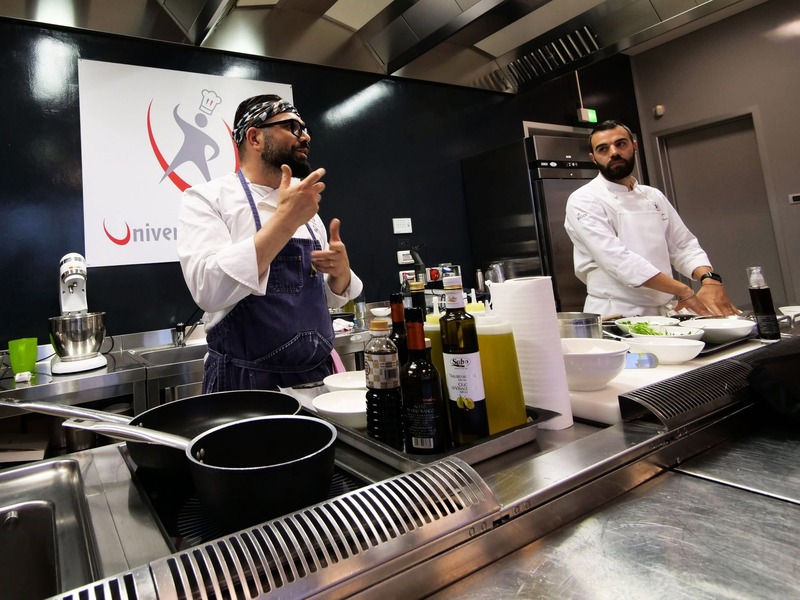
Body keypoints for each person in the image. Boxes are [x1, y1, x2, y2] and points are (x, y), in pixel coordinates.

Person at [177, 94, 363, 392]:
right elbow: (207, 290)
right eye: (292, 127)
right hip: (246, 385)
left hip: (316, 379)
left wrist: (340, 273)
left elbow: (323, 300)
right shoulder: (208, 199)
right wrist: (285, 221)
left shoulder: (303, 205)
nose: (306, 136)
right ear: (254, 138)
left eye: (305, 128)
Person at [564, 120, 738, 318]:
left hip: (664, 312)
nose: (613, 152)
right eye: (603, 149)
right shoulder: (584, 199)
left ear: (634, 146)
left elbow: (683, 245)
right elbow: (619, 260)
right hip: (617, 312)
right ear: (593, 158)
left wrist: (709, 280)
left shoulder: (653, 195)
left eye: (620, 144)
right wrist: (683, 290)